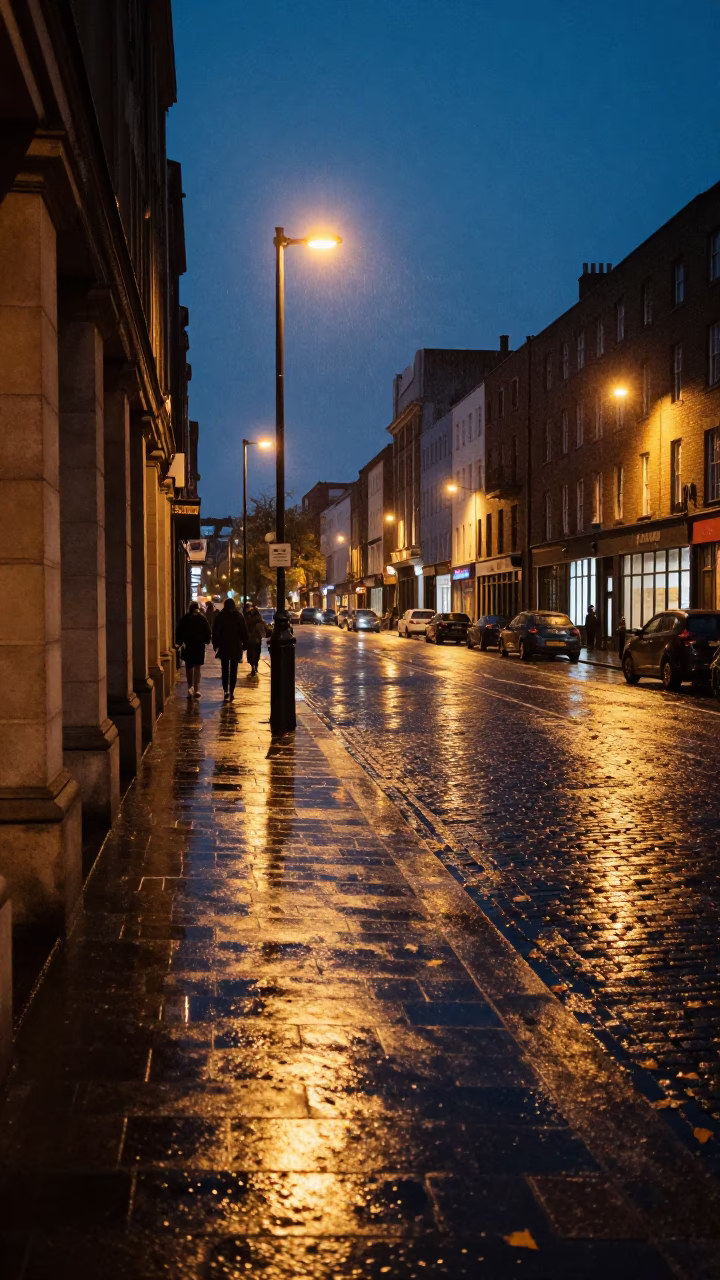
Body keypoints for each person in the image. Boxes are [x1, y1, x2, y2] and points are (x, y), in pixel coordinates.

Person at [212, 598, 249, 700]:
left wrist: (215, 645)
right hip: (235, 647)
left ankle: (225, 691)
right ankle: (232, 691)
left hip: (224, 646)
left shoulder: (220, 616)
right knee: (233, 670)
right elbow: (244, 632)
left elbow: (215, 632)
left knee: (224, 670)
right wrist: (245, 645)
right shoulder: (238, 616)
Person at [175, 601, 211, 698]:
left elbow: (179, 631)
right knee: (197, 667)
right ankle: (197, 689)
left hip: (188, 645)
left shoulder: (185, 618)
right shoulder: (202, 618)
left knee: (189, 667)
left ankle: (190, 687)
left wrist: (179, 642)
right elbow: (208, 631)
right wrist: (206, 640)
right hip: (199, 646)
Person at [245, 603, 268, 677]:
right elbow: (264, 626)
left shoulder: (248, 618)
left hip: (251, 639)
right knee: (256, 653)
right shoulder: (259, 619)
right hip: (256, 639)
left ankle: (253, 667)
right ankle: (255, 667)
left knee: (251, 654)